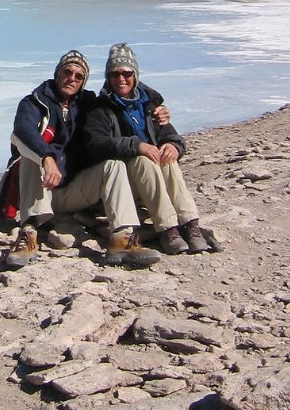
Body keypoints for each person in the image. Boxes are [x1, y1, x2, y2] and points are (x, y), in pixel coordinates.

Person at [0, 50, 161, 269]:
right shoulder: (34, 102)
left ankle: (122, 237)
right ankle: (28, 235)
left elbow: (120, 97)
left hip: (72, 191)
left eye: (79, 76)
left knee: (113, 165)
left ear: (83, 81)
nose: (72, 78)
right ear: (57, 73)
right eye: (67, 72)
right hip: (41, 190)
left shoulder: (88, 104)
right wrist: (47, 157)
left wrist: (155, 106)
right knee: (29, 155)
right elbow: (22, 130)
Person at [81, 43, 208, 254]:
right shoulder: (99, 108)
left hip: (151, 182)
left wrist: (173, 146)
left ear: (135, 74)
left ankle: (189, 223)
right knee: (143, 160)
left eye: (126, 73)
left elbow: (170, 134)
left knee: (167, 158)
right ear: (107, 77)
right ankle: (167, 228)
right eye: (115, 74)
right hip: (120, 185)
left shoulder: (148, 105)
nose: (121, 79)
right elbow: (96, 144)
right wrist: (136, 145)